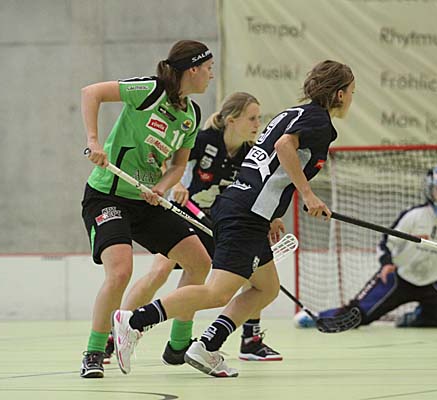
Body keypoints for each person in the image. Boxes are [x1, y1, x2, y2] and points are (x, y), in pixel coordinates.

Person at [110, 60, 356, 377]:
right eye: (351, 92)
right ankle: (135, 320)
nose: (351, 98)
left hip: (247, 209)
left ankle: (208, 346)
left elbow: (268, 168)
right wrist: (307, 194)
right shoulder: (319, 121)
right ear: (339, 94)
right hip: (245, 214)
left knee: (266, 288)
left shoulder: (294, 113)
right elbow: (283, 146)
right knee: (217, 292)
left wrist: (273, 215)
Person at [104, 92, 283, 363]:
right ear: (232, 121)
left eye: (259, 118)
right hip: (184, 215)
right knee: (159, 272)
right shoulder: (204, 140)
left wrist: (272, 217)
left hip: (219, 221)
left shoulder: (249, 154)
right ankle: (114, 335)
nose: (258, 124)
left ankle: (248, 339)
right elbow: (165, 159)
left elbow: (256, 191)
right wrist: (175, 184)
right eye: (252, 118)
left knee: (248, 274)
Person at [79, 40, 214, 378]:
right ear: (193, 69)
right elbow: (91, 93)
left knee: (199, 262)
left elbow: (178, 165)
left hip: (147, 200)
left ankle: (178, 345)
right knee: (120, 271)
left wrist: (161, 187)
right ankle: (95, 351)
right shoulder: (150, 91)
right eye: (208, 68)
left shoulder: (191, 115)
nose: (211, 75)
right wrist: (94, 140)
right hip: (108, 196)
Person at [295, 165, 437, 329]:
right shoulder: (414, 216)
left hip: (435, 282)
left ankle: (415, 319)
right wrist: (386, 264)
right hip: (399, 277)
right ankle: (316, 317)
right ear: (430, 190)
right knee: (357, 316)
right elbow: (387, 243)